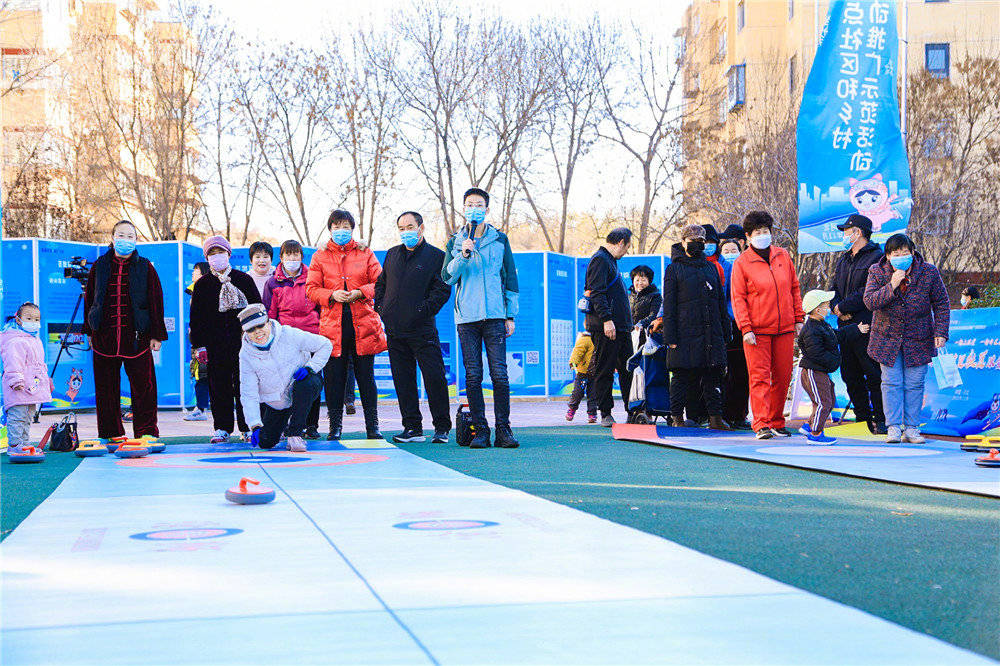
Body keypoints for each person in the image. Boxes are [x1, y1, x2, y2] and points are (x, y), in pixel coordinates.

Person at [441, 187, 520, 448]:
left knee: (500, 374)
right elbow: (448, 277)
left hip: (496, 315)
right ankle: (480, 430)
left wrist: (510, 315)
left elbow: (510, 277)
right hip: (467, 319)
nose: (474, 208)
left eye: (479, 205)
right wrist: (462, 255)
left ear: (486, 209)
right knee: (473, 375)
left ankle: (504, 430)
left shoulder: (500, 240)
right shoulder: (455, 241)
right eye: (469, 204)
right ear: (464, 209)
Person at [83, 220, 168, 440]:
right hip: (104, 337)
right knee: (106, 390)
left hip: (137, 339)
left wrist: (157, 335)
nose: (125, 240)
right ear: (112, 238)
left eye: (130, 236)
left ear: (136, 240)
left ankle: (146, 431)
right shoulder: (99, 265)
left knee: (144, 389)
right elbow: (90, 300)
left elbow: (156, 301)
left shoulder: (146, 267)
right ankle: (111, 433)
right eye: (121, 235)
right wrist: (90, 331)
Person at [307, 209, 386, 441]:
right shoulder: (319, 256)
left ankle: (373, 427)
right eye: (336, 226)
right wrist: (332, 295)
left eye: (345, 226)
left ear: (352, 228)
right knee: (334, 380)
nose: (341, 231)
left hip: (363, 325)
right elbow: (311, 289)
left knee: (366, 378)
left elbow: (380, 283)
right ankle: (335, 427)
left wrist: (360, 292)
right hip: (333, 328)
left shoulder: (365, 252)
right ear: (329, 229)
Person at [863, 233, 950, 444]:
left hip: (919, 337)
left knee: (914, 383)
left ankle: (911, 428)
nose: (901, 256)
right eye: (896, 253)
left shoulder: (928, 272)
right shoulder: (876, 271)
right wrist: (891, 285)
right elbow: (869, 302)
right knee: (891, 382)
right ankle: (893, 426)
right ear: (888, 256)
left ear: (912, 252)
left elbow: (941, 302)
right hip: (887, 338)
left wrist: (941, 331)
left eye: (905, 252)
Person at [375, 211, 453, 444]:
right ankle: (412, 428)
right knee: (403, 379)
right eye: (401, 228)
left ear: (421, 228)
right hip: (395, 330)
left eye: (410, 226)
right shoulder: (392, 255)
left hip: (422, 330)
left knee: (434, 378)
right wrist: (381, 308)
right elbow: (381, 284)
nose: (406, 231)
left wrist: (422, 311)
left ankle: (442, 428)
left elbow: (442, 290)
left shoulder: (437, 257)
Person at [730, 211, 805, 440]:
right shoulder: (742, 263)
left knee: (783, 376)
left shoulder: (782, 256)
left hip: (784, 328)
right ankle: (761, 423)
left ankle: (776, 420)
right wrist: (746, 328)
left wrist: (798, 318)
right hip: (757, 330)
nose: (763, 235)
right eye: (758, 232)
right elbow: (738, 298)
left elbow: (794, 288)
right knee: (760, 377)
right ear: (748, 236)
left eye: (766, 231)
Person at [190, 235, 262, 444]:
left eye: (220, 252)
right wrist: (199, 346)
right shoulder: (202, 285)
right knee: (218, 386)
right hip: (215, 345)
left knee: (244, 386)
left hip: (244, 343)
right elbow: (196, 318)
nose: (217, 257)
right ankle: (221, 427)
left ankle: (247, 426)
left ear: (228, 254)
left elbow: (257, 309)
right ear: (207, 257)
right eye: (212, 253)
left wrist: (257, 337)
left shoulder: (243, 279)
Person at [662, 224, 731, 430]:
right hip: (684, 332)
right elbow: (669, 305)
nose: (698, 245)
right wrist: (670, 337)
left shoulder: (711, 268)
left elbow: (720, 301)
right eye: (693, 241)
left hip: (711, 331)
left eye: (702, 241)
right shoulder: (673, 268)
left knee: (713, 376)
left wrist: (725, 331)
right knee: (681, 376)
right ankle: (677, 417)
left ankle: (715, 418)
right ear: (683, 242)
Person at [237, 304, 330, 452]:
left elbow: (325, 344)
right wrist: (255, 424)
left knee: (305, 385)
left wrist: (310, 367)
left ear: (268, 322)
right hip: (278, 401)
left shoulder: (289, 334)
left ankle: (295, 434)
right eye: (250, 329)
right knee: (265, 442)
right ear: (245, 332)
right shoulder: (246, 354)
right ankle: (279, 429)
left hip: (302, 385)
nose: (257, 332)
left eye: (260, 326)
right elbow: (249, 393)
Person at [829, 213, 886, 435]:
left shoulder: (876, 257)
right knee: (850, 375)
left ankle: (881, 419)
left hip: (867, 324)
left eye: (847, 231)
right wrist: (836, 307)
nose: (845, 235)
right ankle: (862, 418)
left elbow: (868, 291)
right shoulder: (844, 259)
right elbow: (834, 287)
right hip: (845, 327)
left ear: (858, 232)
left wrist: (844, 307)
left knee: (873, 374)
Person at [263, 239, 323, 439]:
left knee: (312, 379)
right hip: (285, 339)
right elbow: (270, 314)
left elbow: (320, 307)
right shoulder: (272, 282)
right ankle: (289, 424)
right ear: (281, 258)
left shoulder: (312, 278)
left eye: (295, 255)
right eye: (288, 255)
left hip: (311, 336)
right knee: (286, 383)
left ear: (301, 257)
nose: (292, 259)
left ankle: (311, 425)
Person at [797, 290, 869, 444]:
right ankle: (816, 434)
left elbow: (836, 336)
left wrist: (855, 329)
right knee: (823, 402)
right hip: (813, 372)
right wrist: (833, 361)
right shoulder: (811, 330)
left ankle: (810, 425)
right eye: (826, 306)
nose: (829, 308)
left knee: (828, 399)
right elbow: (816, 353)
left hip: (821, 371)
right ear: (817, 310)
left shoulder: (822, 325)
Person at [583, 227, 633, 428]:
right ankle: (605, 412)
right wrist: (606, 319)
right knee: (605, 369)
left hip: (621, 327)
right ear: (621, 242)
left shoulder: (610, 261)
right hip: (607, 327)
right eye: (627, 247)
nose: (626, 252)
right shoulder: (600, 259)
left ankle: (633, 409)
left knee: (628, 369)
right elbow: (597, 292)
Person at [1, 303, 52, 453]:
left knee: (28, 416)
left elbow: (39, 365)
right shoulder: (15, 341)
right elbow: (12, 363)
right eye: (29, 318)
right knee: (17, 416)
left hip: (32, 389)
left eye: (36, 319)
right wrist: (16, 380)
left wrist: (46, 381)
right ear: (18, 320)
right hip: (18, 387)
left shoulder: (35, 340)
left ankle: (24, 443)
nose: (33, 322)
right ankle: (15, 445)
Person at [718, 237, 750, 428]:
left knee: (742, 373)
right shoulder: (718, 271)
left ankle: (740, 414)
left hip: (742, 326)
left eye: (734, 250)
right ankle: (722, 413)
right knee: (723, 374)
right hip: (724, 326)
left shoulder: (747, 268)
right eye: (726, 251)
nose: (730, 254)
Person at [184, 261, 211, 422]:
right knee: (200, 374)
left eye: (197, 271)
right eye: (193, 270)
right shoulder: (194, 291)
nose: (193, 274)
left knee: (202, 374)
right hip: (198, 340)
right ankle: (200, 407)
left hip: (205, 341)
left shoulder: (205, 291)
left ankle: (201, 409)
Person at [566, 331, 596, 423]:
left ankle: (592, 414)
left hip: (594, 372)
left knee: (593, 394)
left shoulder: (599, 340)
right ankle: (572, 409)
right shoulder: (585, 339)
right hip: (582, 372)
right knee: (578, 393)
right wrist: (573, 362)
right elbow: (577, 352)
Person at [629, 265, 662, 348]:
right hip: (629, 334)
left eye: (643, 280)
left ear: (649, 281)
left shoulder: (655, 296)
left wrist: (641, 323)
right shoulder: (629, 296)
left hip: (646, 334)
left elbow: (654, 315)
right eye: (637, 280)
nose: (640, 283)